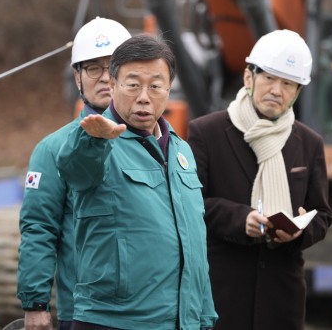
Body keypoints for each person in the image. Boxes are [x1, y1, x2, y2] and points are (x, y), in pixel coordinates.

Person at [56, 34, 217, 330]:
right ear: (113, 85)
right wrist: (92, 139)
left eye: (156, 86)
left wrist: (204, 315)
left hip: (181, 321)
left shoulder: (183, 152)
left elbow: (193, 242)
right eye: (133, 85)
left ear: (168, 89)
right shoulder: (98, 143)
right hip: (114, 321)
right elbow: (75, 169)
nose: (144, 96)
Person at [187, 29, 332, 330]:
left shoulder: (309, 143)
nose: (277, 90)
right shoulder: (206, 133)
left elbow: (322, 215)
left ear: (297, 92)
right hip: (221, 294)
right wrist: (242, 220)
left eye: (288, 83)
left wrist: (300, 232)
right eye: (269, 78)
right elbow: (191, 204)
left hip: (282, 297)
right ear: (248, 78)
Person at [17, 17, 131, 330]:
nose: (105, 77)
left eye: (114, 66)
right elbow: (39, 229)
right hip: (85, 314)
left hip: (150, 313)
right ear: (77, 78)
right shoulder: (52, 149)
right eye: (94, 68)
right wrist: (35, 304)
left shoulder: (157, 143)